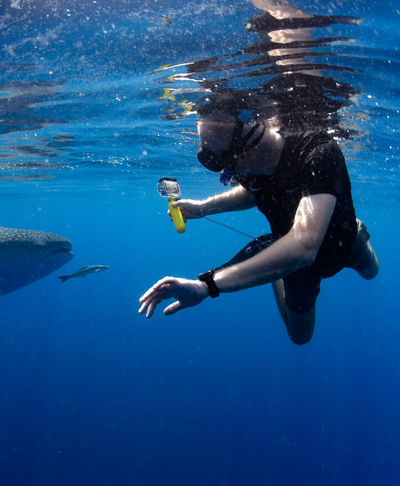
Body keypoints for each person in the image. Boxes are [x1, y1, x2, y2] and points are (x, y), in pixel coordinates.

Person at [138, 108, 379, 344]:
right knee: (300, 337)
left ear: (241, 154)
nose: (221, 170)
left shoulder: (317, 151)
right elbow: (252, 193)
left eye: (216, 158)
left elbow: (304, 246)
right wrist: (203, 208)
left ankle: (278, 260)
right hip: (297, 264)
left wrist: (206, 286)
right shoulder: (249, 166)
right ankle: (276, 260)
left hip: (342, 241)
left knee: (372, 272)